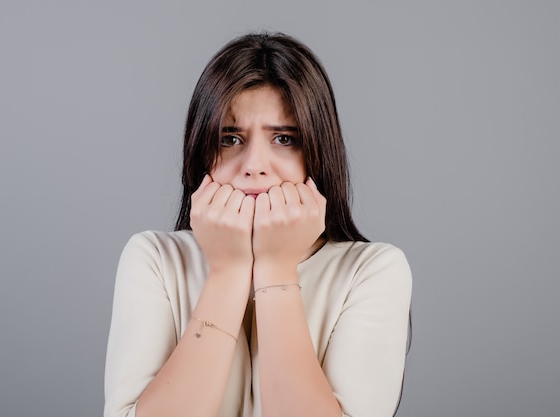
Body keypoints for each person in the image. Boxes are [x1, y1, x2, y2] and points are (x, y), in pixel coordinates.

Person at [104, 32, 412, 417]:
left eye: (284, 138)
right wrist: (229, 271)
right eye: (230, 138)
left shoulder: (372, 271)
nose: (254, 165)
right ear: (202, 154)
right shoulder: (153, 259)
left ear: (318, 152)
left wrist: (276, 268)